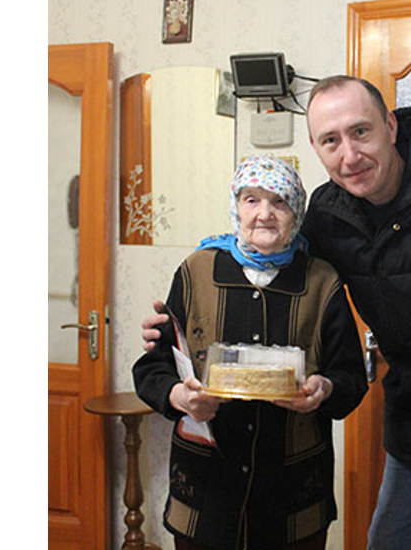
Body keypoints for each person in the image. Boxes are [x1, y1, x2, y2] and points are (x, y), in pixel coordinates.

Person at [143, 76, 411, 549]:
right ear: (315, 148)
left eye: (360, 132)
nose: (350, 156)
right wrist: (176, 326)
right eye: (331, 141)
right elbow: (276, 265)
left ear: (390, 125)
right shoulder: (328, 214)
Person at [133, 155, 368, 550]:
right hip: (206, 493)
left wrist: (324, 389)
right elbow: (153, 369)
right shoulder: (196, 271)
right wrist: (180, 398)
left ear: (297, 212)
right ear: (236, 207)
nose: (264, 214)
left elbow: (351, 379)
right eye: (252, 200)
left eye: (279, 201)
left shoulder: (322, 281)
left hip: (291, 496)